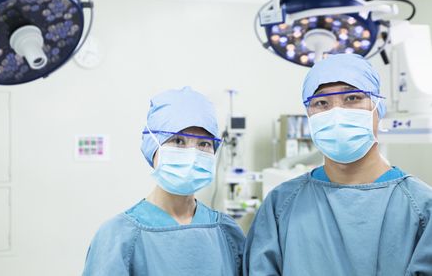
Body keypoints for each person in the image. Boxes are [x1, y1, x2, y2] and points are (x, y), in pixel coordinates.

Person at [244, 54, 432, 276]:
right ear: (309, 115)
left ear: (378, 107)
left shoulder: (421, 208)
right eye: (321, 103)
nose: (337, 113)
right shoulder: (280, 205)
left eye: (352, 98)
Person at [83, 86, 245, 276]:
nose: (192, 154)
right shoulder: (117, 237)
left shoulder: (227, 233)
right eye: (178, 141)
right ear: (153, 147)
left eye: (204, 144)